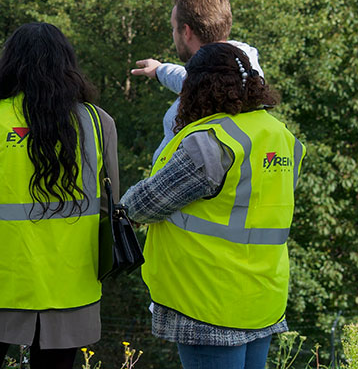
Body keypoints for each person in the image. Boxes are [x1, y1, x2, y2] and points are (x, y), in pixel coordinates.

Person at [0, 22, 119, 369]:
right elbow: (109, 207)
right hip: (69, 289)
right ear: (68, 65)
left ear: (9, 65)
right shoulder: (98, 122)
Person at [121, 43, 305, 369]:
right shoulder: (282, 137)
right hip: (262, 298)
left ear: (197, 87)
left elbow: (143, 205)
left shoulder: (213, 142)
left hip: (207, 302)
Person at [131, 0, 264, 165]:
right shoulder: (237, 76)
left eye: (173, 27)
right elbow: (187, 78)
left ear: (186, 31)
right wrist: (159, 70)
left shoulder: (212, 96)